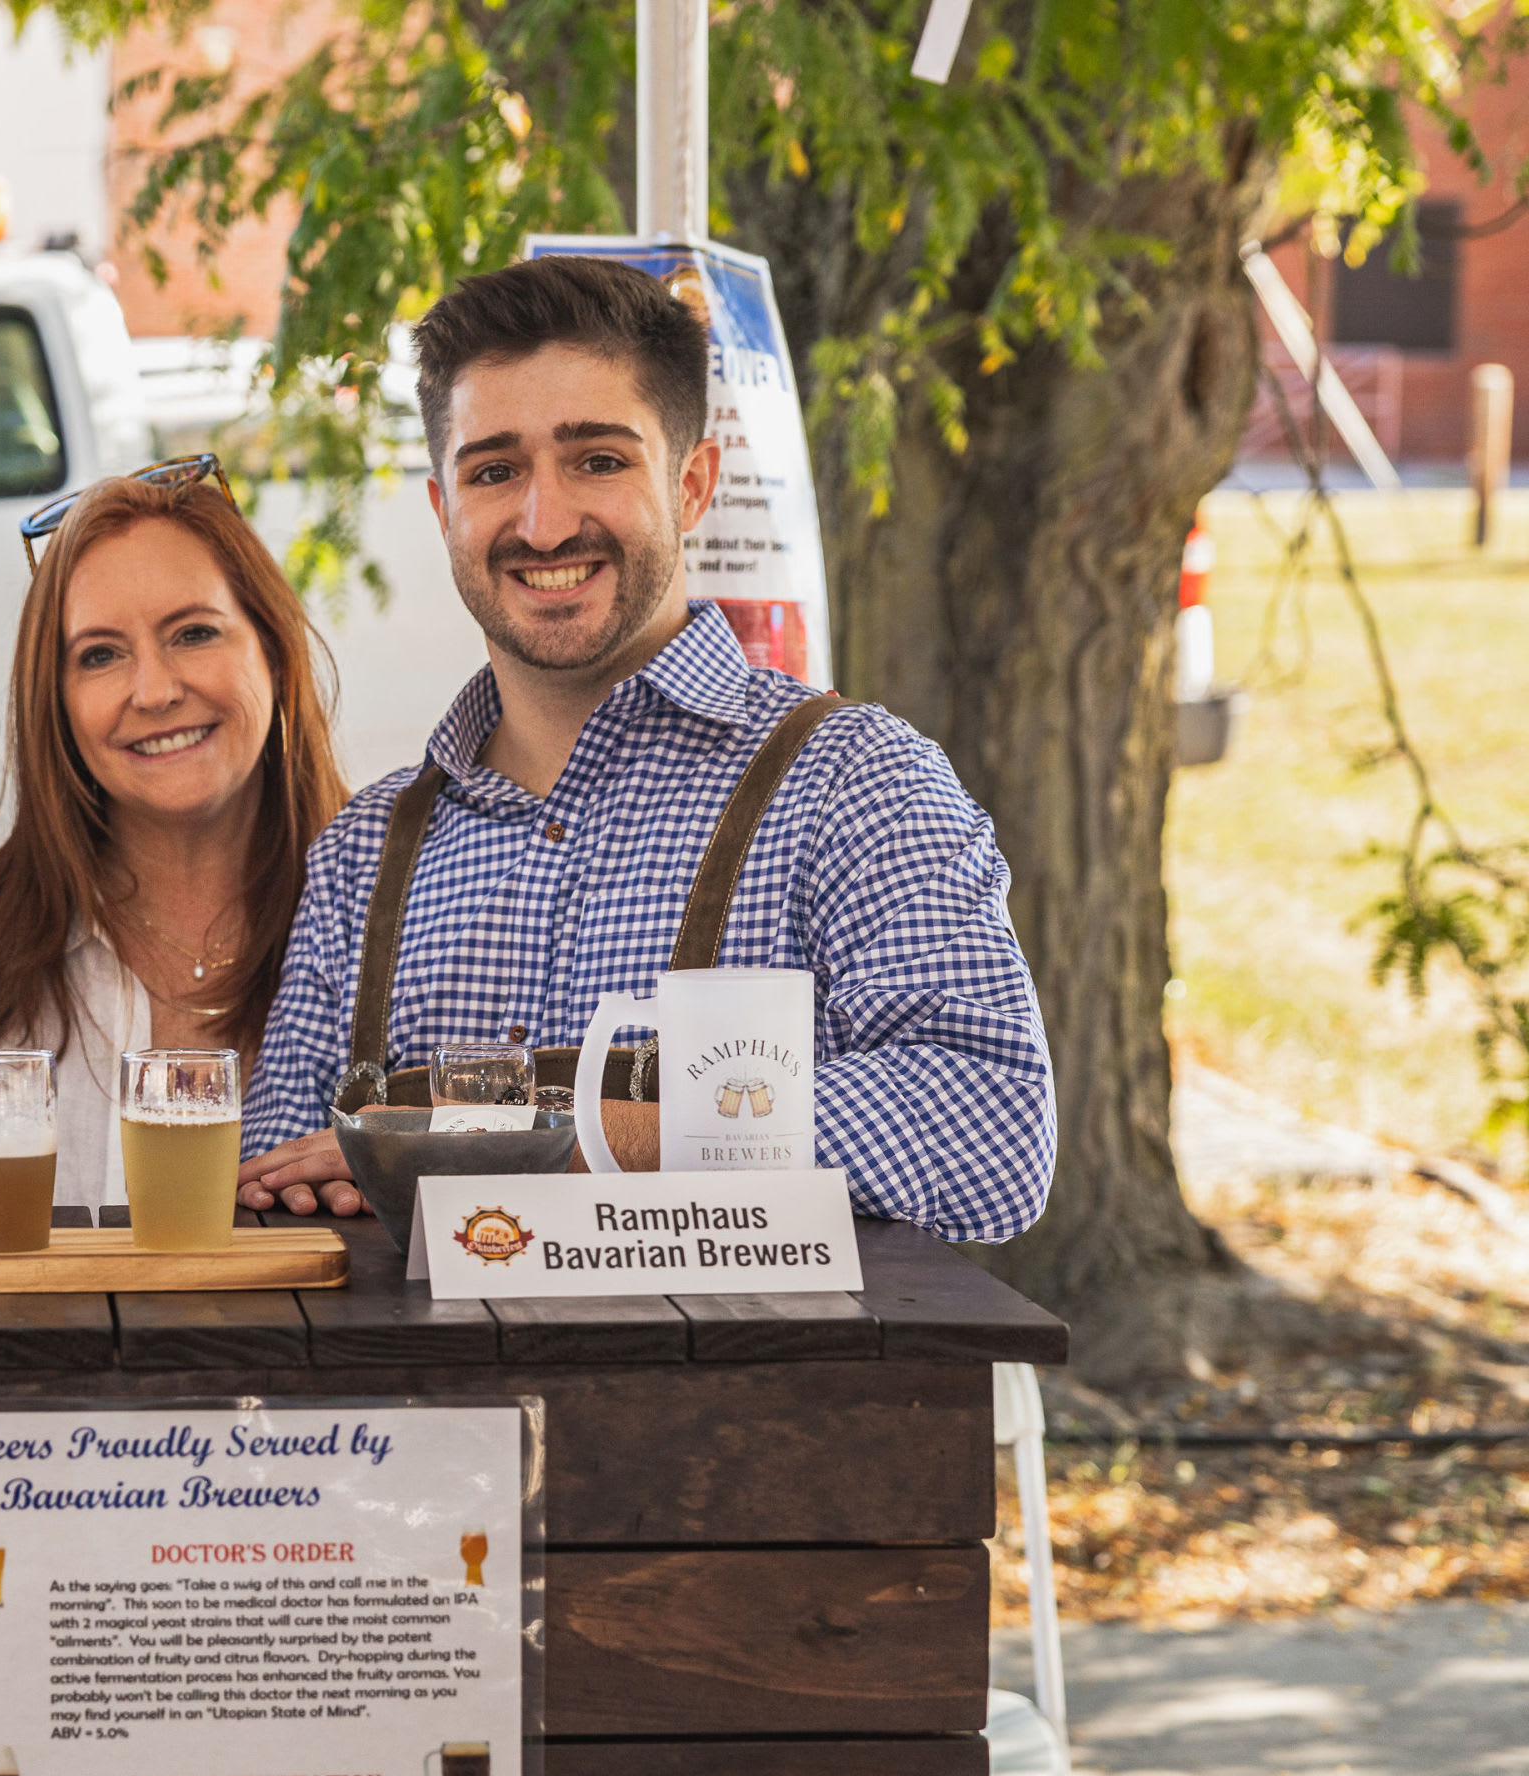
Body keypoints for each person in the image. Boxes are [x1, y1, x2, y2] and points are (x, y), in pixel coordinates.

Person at [236, 256, 1055, 1235]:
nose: (544, 523)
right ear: (444, 509)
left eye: (598, 460)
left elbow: (990, 1129)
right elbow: (274, 1182)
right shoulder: (363, 855)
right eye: (494, 471)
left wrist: (528, 1144)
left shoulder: (854, 784)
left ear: (692, 483)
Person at [0, 463, 348, 1208]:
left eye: (194, 633)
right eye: (100, 655)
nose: (154, 691)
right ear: (54, 703)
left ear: (274, 652)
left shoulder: (399, 926)